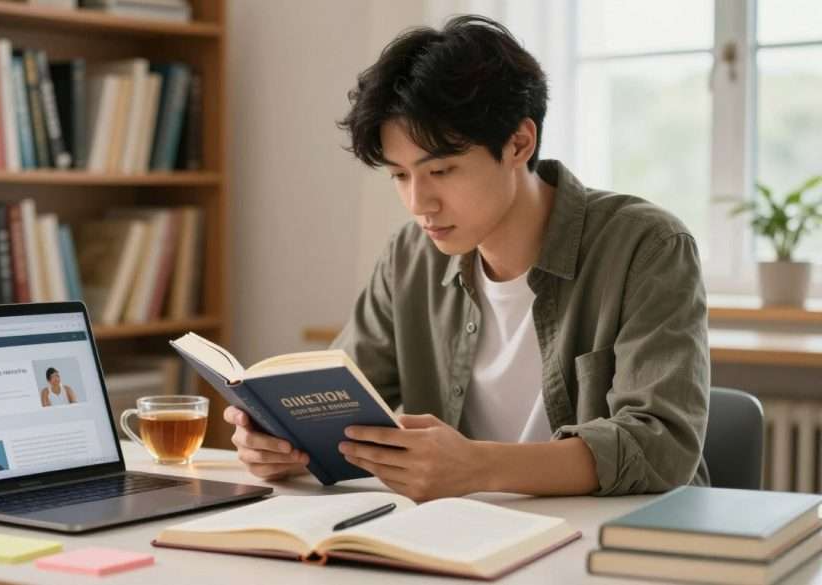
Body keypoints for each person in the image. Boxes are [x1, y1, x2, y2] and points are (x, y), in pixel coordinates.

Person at [224, 15, 710, 501]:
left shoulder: (647, 247)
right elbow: (335, 399)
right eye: (400, 176)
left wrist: (478, 466)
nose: (419, 203)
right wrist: (279, 442)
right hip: (464, 532)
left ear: (519, 143)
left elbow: (662, 445)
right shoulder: (409, 257)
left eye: (441, 170)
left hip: (617, 533)